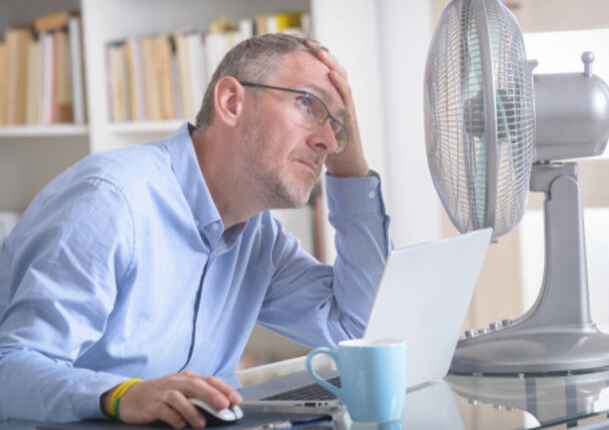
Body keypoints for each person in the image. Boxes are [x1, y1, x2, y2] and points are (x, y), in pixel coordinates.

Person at [0, 34, 391, 427]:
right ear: (231, 103)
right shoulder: (111, 201)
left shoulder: (259, 238)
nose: (327, 141)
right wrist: (122, 394)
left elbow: (357, 328)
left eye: (337, 125)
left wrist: (350, 168)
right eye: (308, 104)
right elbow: (11, 370)